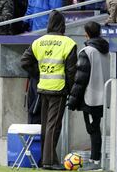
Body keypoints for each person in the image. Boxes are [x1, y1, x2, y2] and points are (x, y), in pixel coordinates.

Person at [20, 11, 77, 170]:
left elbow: (24, 61)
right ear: (63, 24)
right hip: (59, 90)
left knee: (46, 126)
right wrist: (70, 90)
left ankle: (47, 159)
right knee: (53, 126)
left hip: (43, 87)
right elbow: (72, 71)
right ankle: (49, 162)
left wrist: (38, 74)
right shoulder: (68, 43)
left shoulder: (39, 41)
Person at [67, 21, 110, 171]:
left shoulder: (87, 51)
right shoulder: (105, 50)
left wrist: (72, 100)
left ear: (87, 33)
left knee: (93, 129)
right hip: (103, 95)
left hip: (91, 97)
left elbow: (80, 79)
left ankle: (95, 161)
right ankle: (95, 160)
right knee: (95, 127)